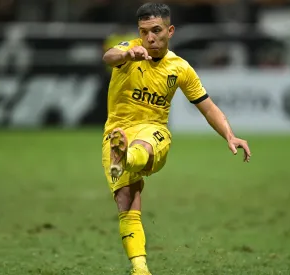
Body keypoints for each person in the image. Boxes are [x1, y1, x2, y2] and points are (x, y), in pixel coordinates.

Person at [101, 3, 251, 275]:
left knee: (142, 146)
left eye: (156, 30)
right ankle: (140, 268)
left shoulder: (180, 68)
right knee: (126, 199)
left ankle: (125, 157)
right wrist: (127, 53)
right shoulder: (129, 49)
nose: (149, 38)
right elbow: (109, 56)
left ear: (170, 31)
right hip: (117, 131)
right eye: (144, 32)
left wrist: (230, 135)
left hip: (154, 132)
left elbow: (207, 106)